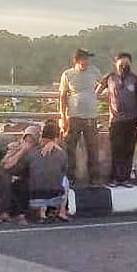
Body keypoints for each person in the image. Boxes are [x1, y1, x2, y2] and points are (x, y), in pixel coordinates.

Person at [6, 121, 70, 223]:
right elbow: (64, 170)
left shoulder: (32, 152)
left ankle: (22, 214)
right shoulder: (62, 153)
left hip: (34, 198)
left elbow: (14, 169)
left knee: (19, 183)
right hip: (56, 197)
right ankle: (61, 211)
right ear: (57, 137)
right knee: (64, 180)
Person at [98, 52, 137, 187]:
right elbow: (96, 91)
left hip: (132, 121)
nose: (124, 66)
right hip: (116, 121)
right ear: (116, 64)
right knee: (116, 150)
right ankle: (115, 178)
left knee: (128, 150)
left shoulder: (135, 80)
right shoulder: (110, 77)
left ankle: (125, 178)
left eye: (126, 63)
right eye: (121, 63)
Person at [59, 49, 102, 184]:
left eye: (87, 59)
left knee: (92, 148)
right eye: (83, 59)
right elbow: (62, 96)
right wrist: (63, 117)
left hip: (91, 116)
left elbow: (103, 83)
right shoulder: (68, 74)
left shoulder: (94, 71)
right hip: (74, 116)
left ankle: (94, 178)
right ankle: (70, 177)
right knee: (70, 147)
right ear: (76, 61)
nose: (86, 62)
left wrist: (96, 94)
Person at [3, 125, 41, 226]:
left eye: (31, 141)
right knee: (17, 185)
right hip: (13, 174)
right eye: (26, 140)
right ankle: (18, 214)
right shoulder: (14, 146)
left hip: (30, 177)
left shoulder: (38, 150)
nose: (28, 143)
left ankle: (21, 214)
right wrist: (22, 151)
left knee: (25, 185)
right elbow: (7, 165)